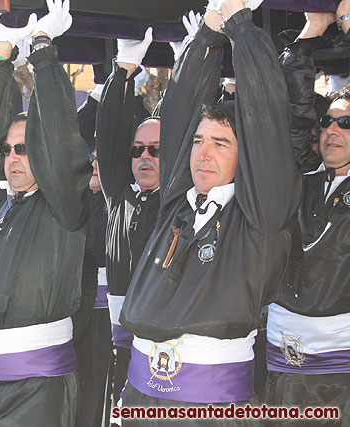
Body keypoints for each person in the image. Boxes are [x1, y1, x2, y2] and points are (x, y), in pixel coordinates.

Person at [117, 0, 300, 423]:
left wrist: (239, 24)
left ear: (245, 155)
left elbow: (267, 114)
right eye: (199, 142)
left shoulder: (260, 216)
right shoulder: (175, 205)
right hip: (142, 401)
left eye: (221, 143)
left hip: (211, 410)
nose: (203, 153)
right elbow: (180, 110)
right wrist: (207, 35)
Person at [0, 1, 92, 425]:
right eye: (8, 149)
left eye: (25, 148)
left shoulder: (62, 204)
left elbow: (63, 135)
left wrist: (43, 50)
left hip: (35, 389)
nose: (12, 157)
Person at [266, 8, 350, 423]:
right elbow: (289, 113)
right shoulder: (305, 175)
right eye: (329, 122)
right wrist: (313, 31)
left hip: (339, 369)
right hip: (279, 355)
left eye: (347, 123)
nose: (333, 130)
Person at [95, 30, 162, 418]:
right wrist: (122, 72)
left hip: (166, 353)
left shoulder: (176, 201)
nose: (144, 156)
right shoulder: (119, 193)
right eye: (137, 150)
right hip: (119, 345)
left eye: (156, 149)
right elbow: (109, 135)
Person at [74, 91, 114, 427]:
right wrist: (96, 96)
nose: (95, 165)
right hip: (80, 317)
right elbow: (71, 141)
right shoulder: (76, 202)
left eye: (103, 159)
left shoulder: (120, 205)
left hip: (113, 322)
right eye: (91, 159)